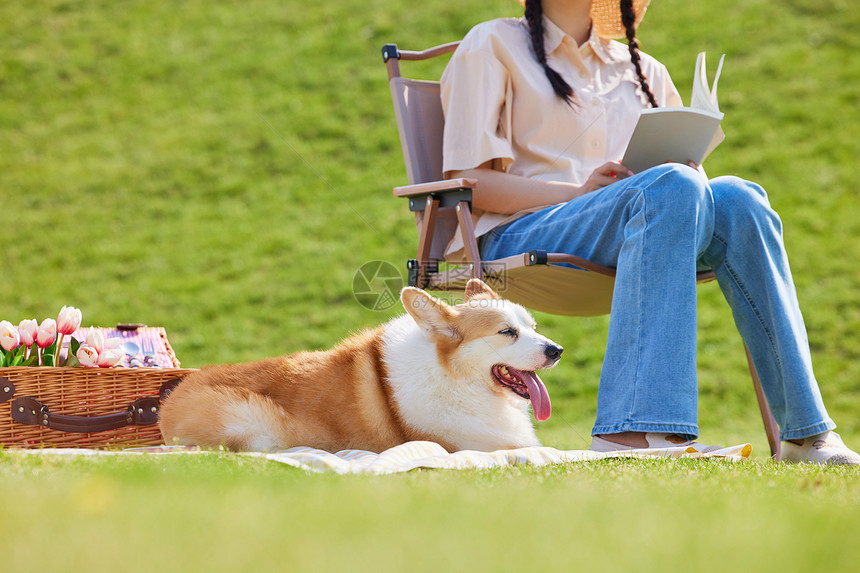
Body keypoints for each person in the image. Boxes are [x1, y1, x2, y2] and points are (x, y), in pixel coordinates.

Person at [439, 0, 859, 464]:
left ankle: (805, 433)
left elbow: (683, 189)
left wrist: (690, 172)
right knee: (672, 185)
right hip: (521, 237)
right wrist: (577, 192)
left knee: (742, 198)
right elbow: (470, 182)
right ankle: (634, 429)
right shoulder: (493, 44)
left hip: (642, 235)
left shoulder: (643, 70)